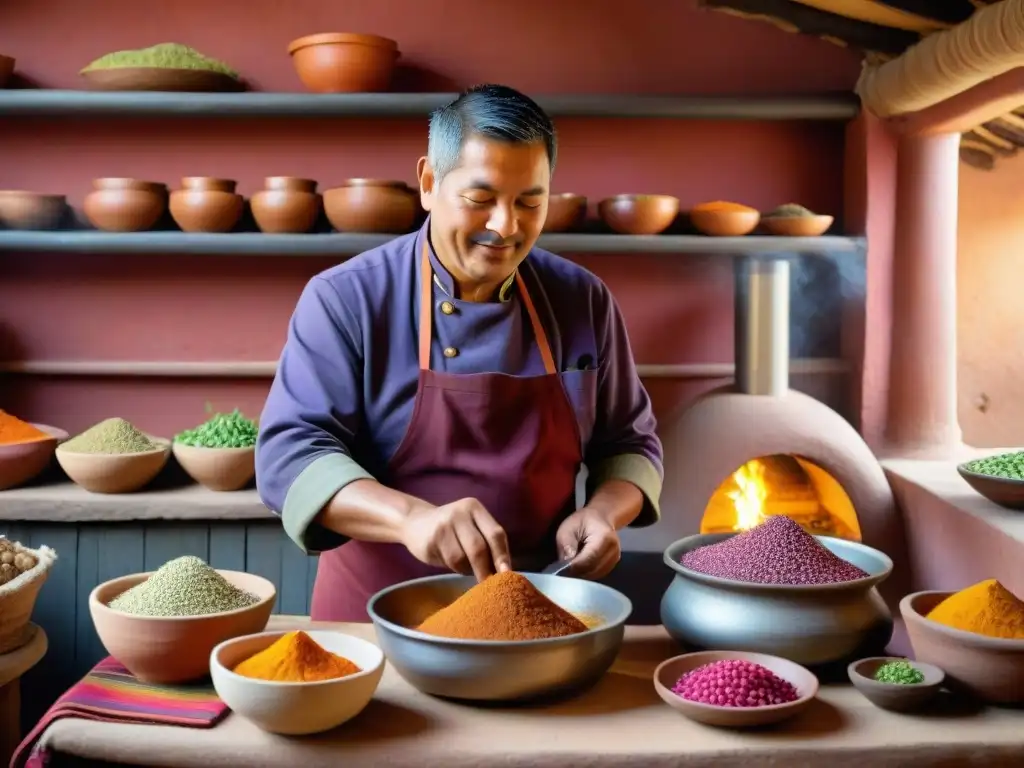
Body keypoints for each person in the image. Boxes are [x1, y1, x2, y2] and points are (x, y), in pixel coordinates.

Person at [256, 84, 664, 621]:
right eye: (480, 199)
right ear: (428, 182)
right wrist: (409, 519)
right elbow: (289, 457)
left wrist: (605, 512)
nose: (506, 226)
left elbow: (631, 442)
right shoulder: (346, 298)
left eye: (529, 202)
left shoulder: (582, 299)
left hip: (536, 614)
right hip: (377, 622)